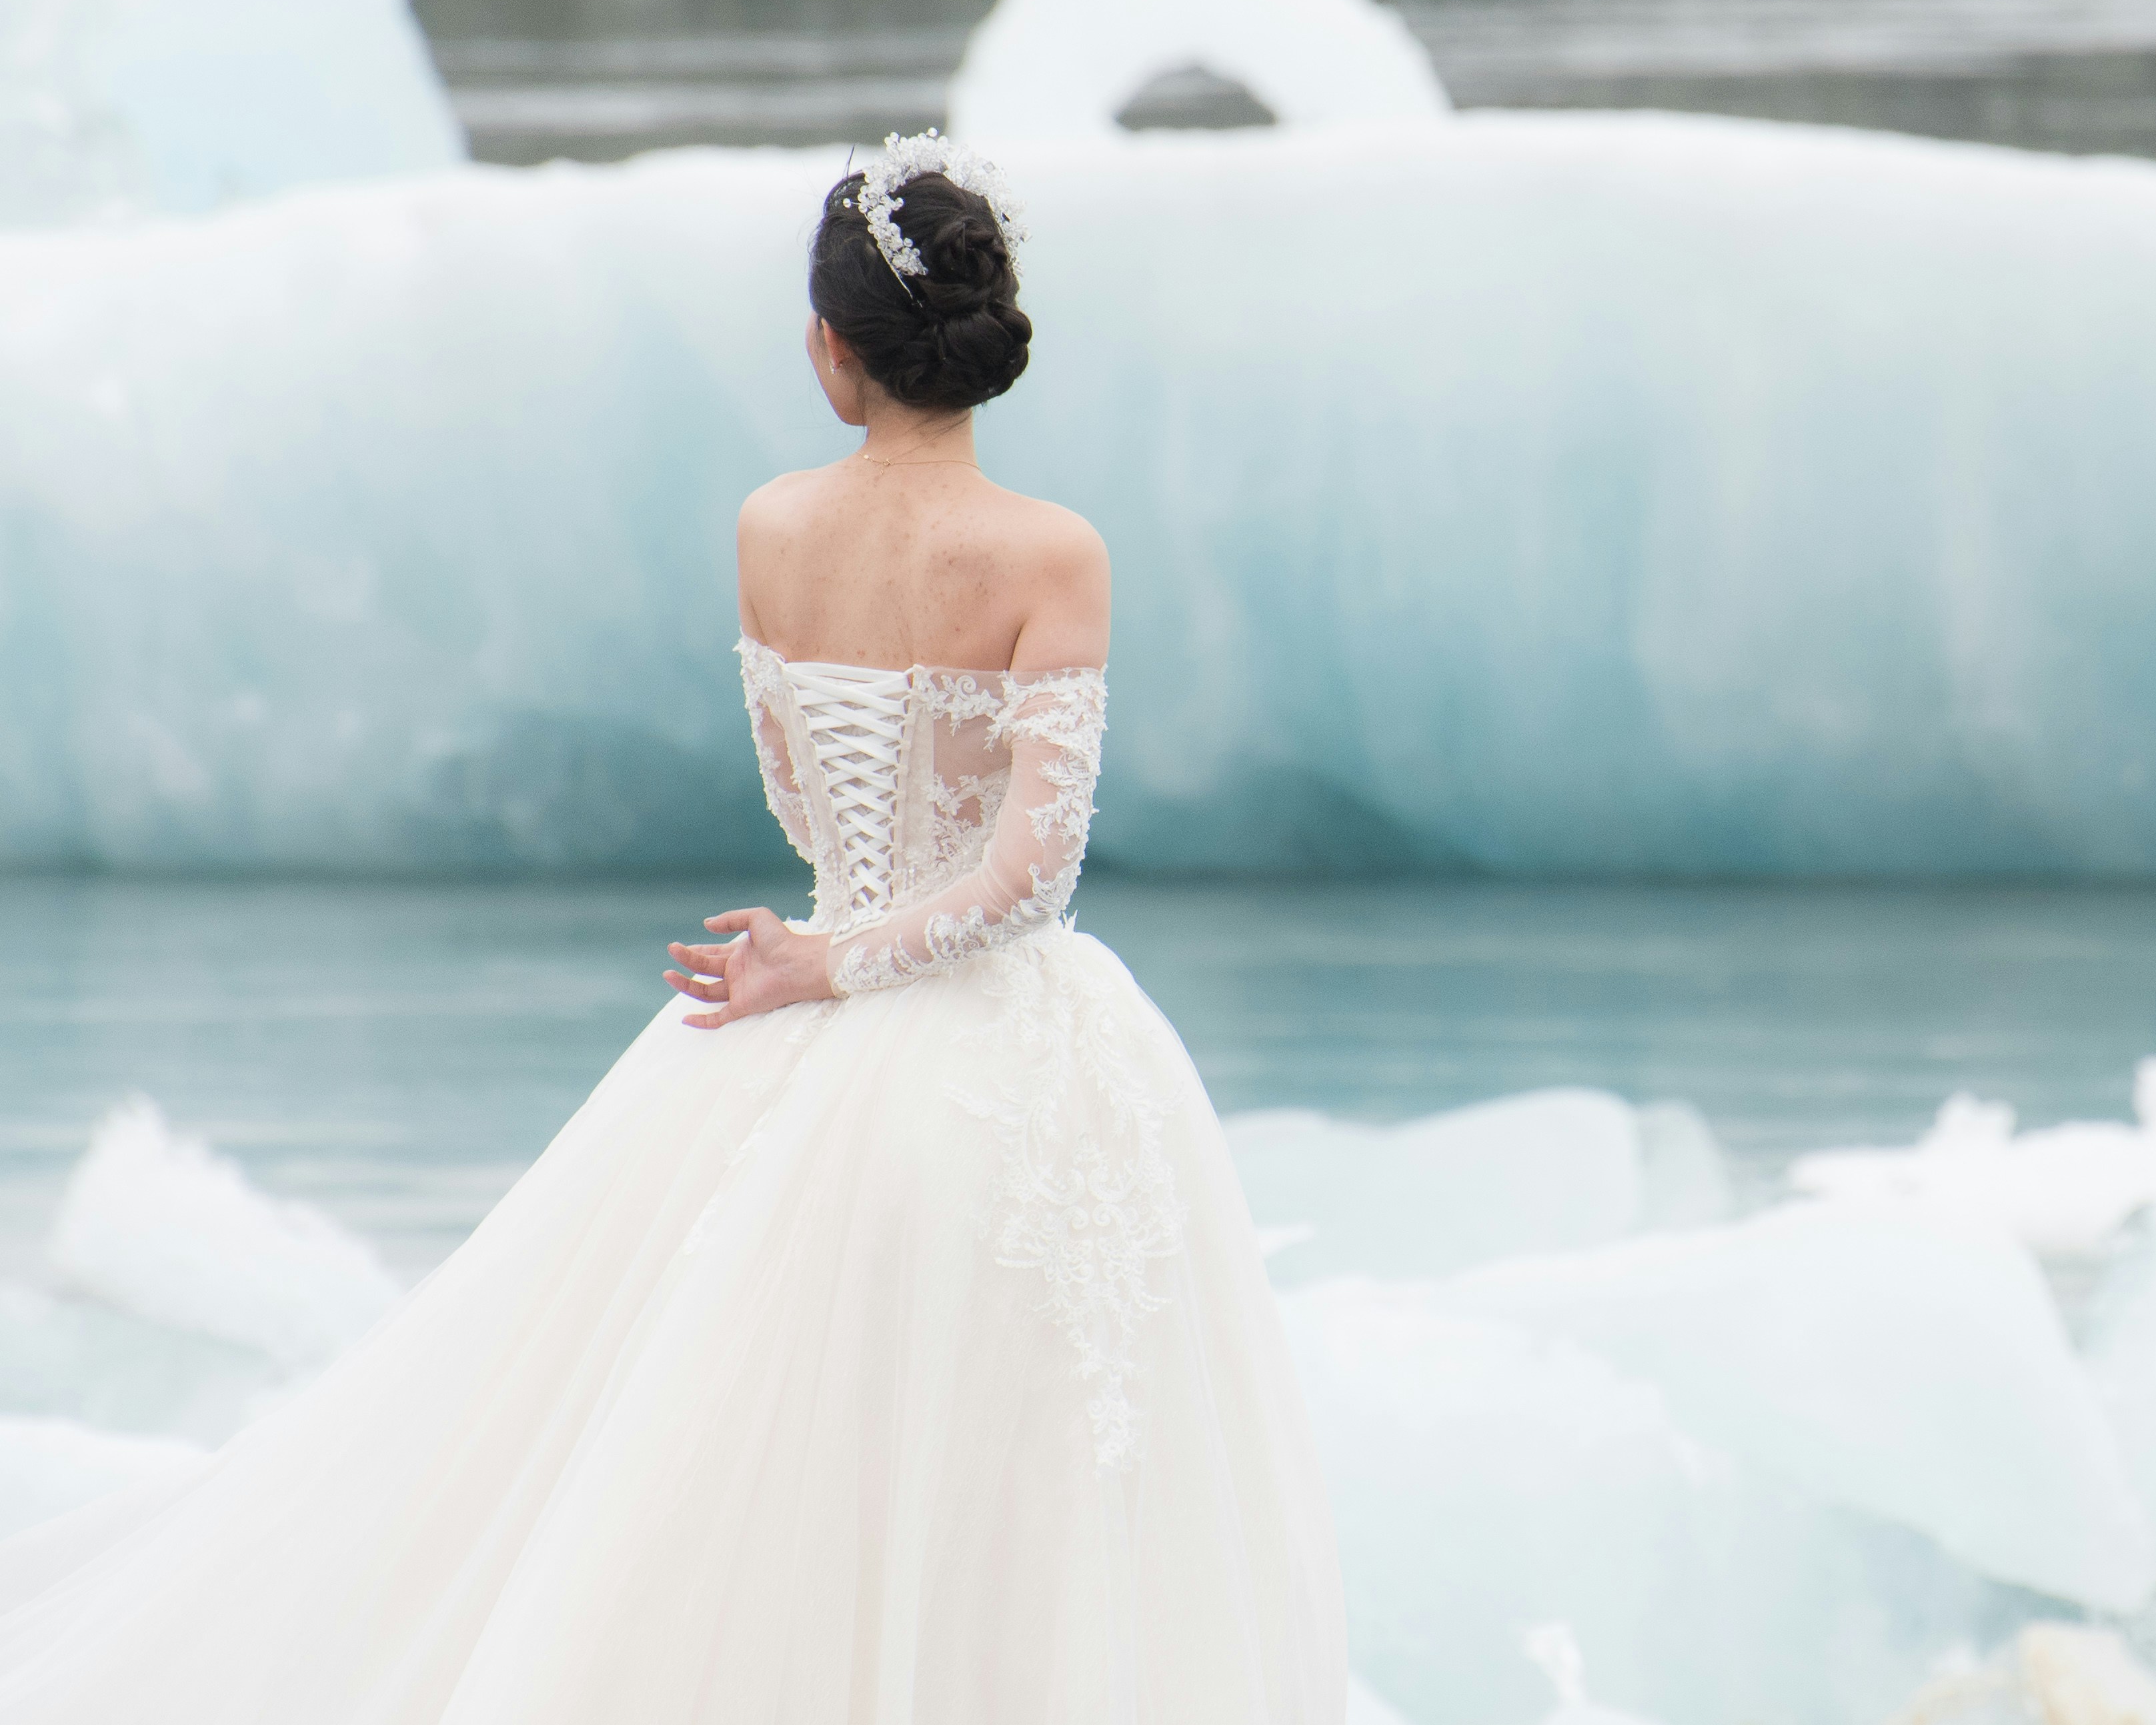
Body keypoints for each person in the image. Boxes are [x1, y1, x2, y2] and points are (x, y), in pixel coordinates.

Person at [0, 132, 1344, 1724]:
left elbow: (799, 799)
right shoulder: (1051, 554)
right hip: (997, 1052)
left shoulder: (772, 529)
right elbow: (1029, 881)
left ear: (832, 351)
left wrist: (819, 954)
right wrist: (850, 956)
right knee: (1025, 1459)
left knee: (725, 1449)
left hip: (782, 1013)